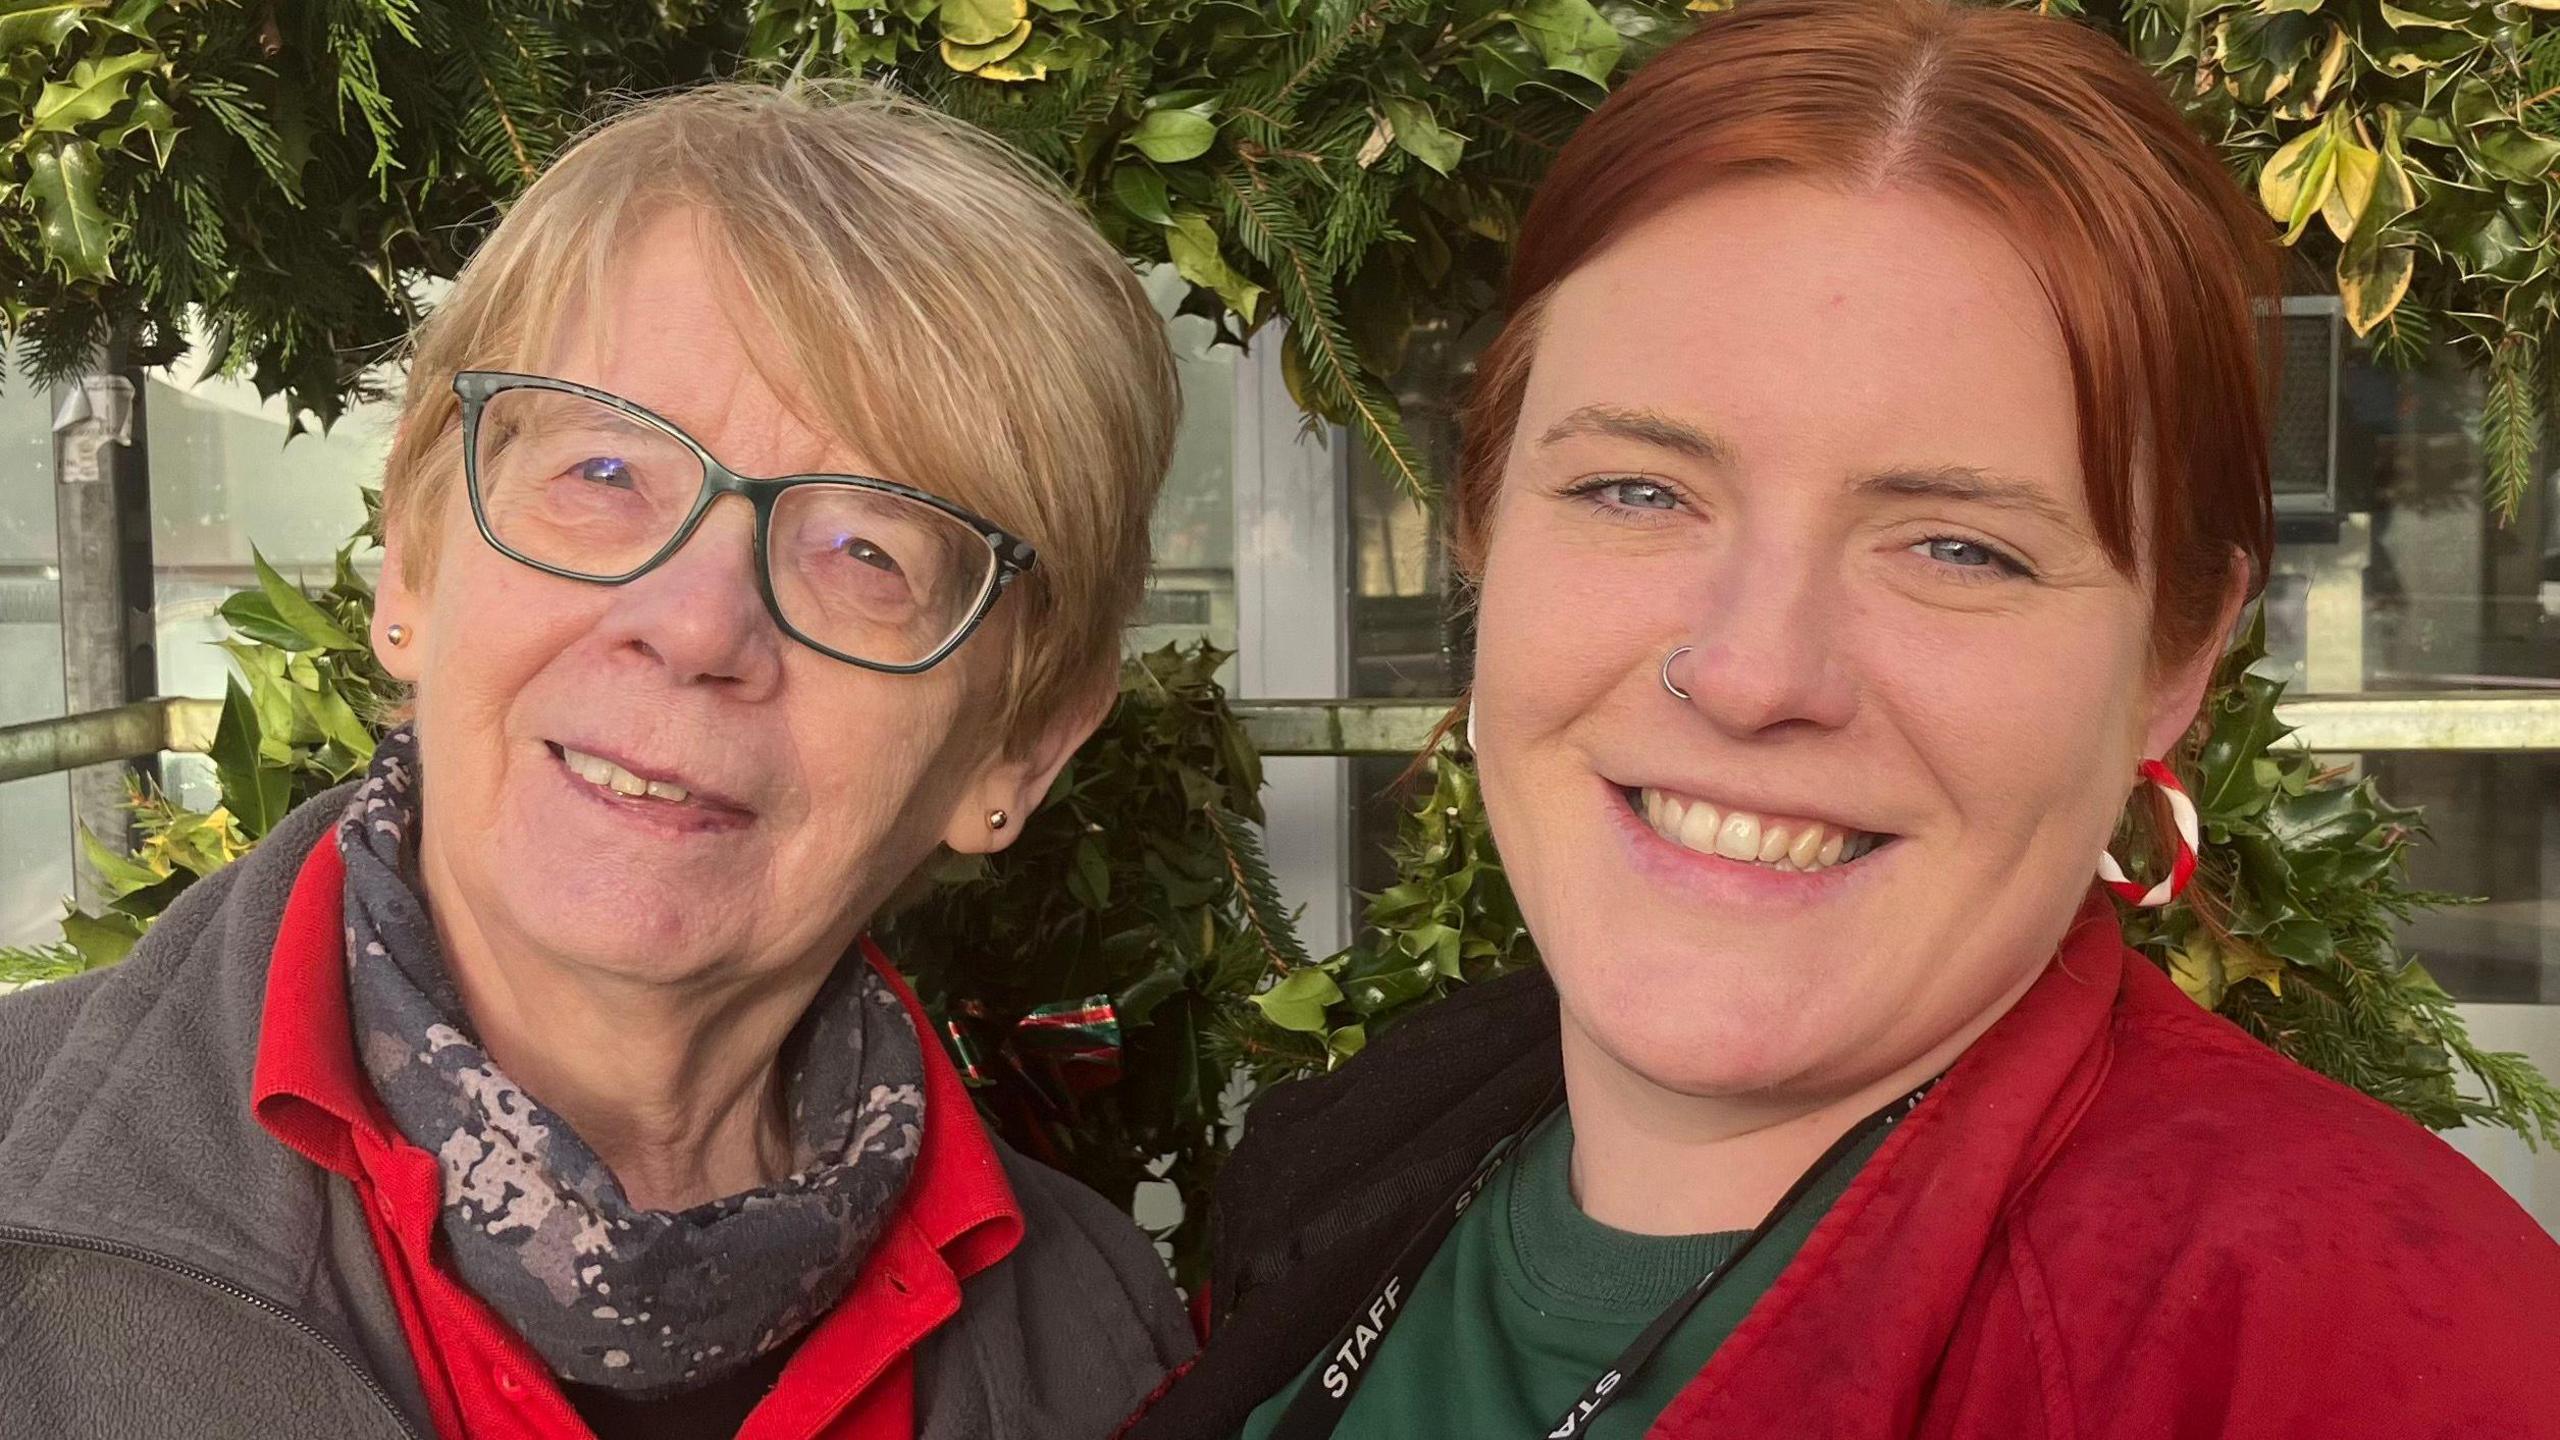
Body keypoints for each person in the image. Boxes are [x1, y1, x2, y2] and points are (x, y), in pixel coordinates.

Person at [1122, 3, 2560, 1438]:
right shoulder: (1354, 1163)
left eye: (1959, 548)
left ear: (2177, 657)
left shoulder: (2350, 1348)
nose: (1751, 675)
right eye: (1637, 490)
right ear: (1484, 526)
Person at [0, 83, 1192, 1440]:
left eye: (871, 551)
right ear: (414, 556)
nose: (694, 627)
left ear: (1021, 745)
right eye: (607, 472)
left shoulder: (1109, 1345)